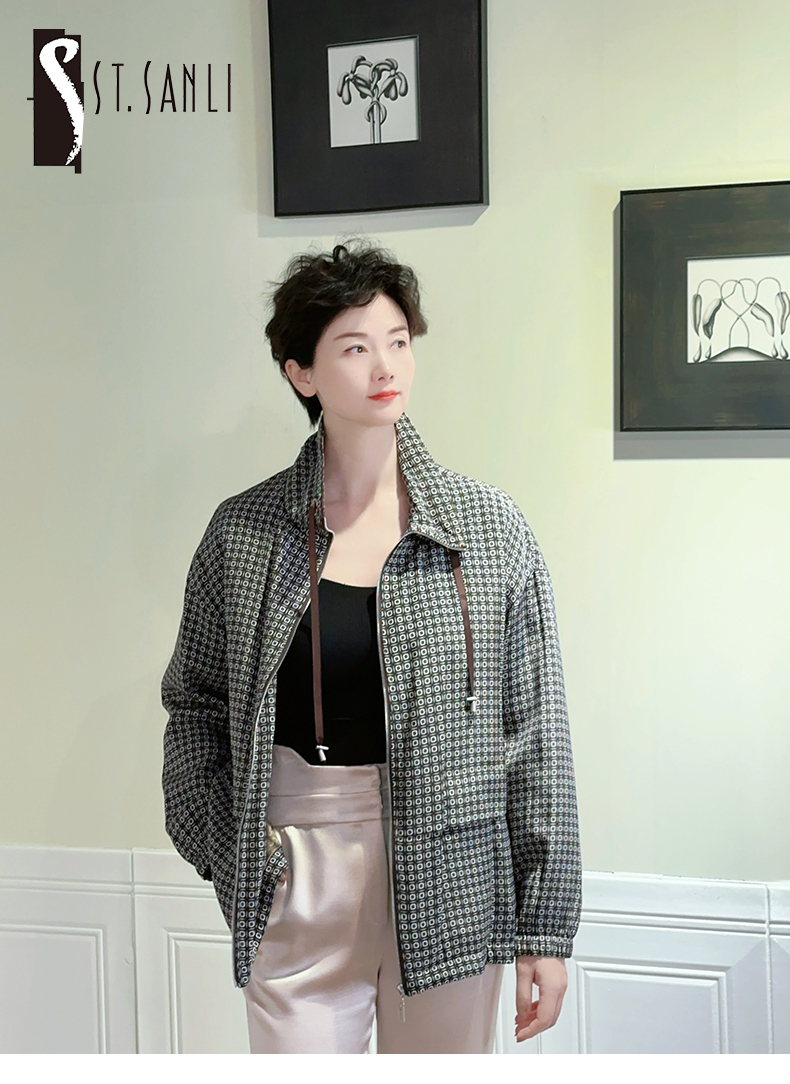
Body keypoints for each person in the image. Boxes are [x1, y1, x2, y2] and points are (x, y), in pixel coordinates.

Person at [161, 239, 582, 1054]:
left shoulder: (487, 530)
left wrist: (545, 926)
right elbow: (195, 708)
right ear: (302, 373)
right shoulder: (244, 534)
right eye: (354, 348)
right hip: (298, 867)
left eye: (397, 341)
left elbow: (535, 734)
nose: (385, 365)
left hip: (455, 870)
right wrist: (231, 853)